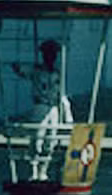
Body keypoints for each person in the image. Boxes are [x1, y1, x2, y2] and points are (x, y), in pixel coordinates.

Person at [13, 40, 73, 180]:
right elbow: (20, 71)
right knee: (37, 139)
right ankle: (33, 172)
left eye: (53, 54)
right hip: (40, 107)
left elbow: (61, 94)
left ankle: (43, 172)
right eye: (48, 54)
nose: (50, 57)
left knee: (50, 141)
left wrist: (67, 116)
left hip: (53, 109)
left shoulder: (57, 73)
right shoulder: (37, 70)